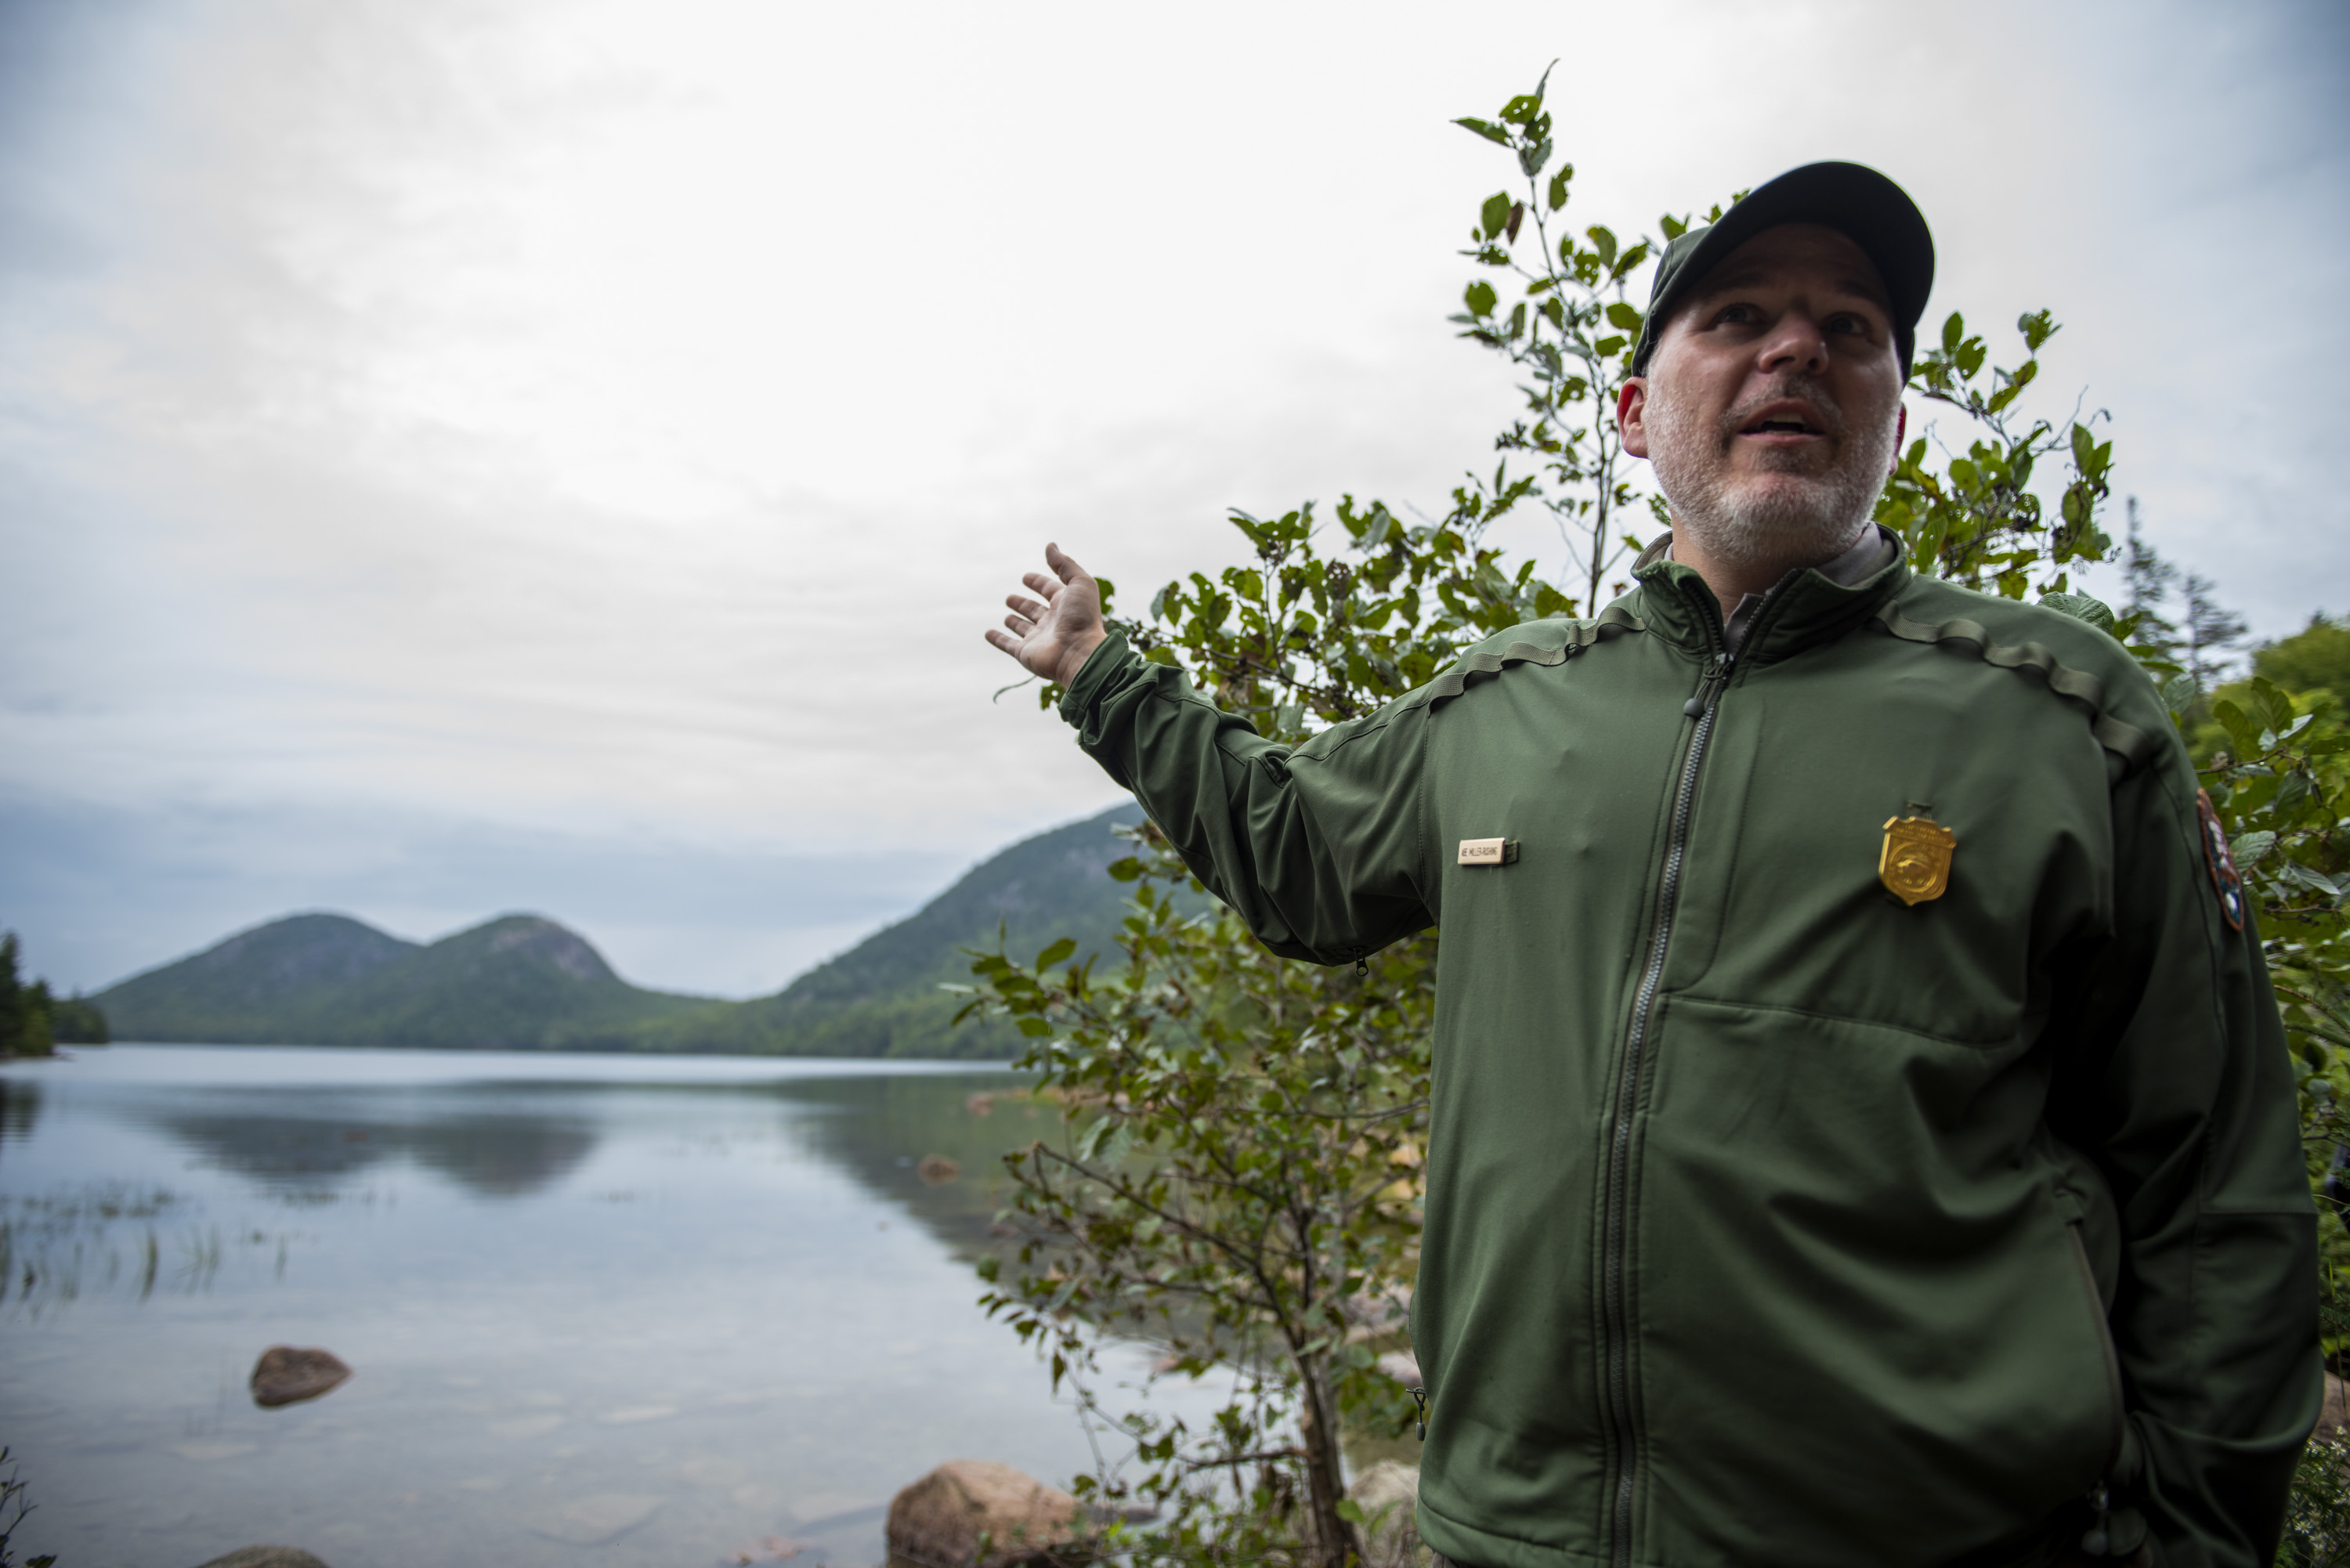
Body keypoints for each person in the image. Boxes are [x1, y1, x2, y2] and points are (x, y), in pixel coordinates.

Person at [983, 162, 2319, 1568]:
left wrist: (2195, 1540)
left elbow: (2217, 1187)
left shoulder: (2059, 721)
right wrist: (1099, 673)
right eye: (1736, 315)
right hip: (1515, 1535)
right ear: (1633, 414)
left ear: (1898, 419)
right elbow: (1295, 858)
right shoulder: (1501, 708)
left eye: (1851, 328)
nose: (1797, 347)